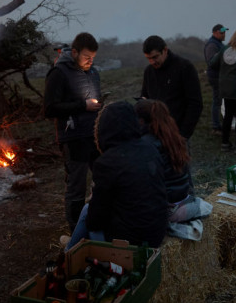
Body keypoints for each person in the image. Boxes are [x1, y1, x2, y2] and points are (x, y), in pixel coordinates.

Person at [62, 101, 169, 250]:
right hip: (157, 233)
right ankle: (72, 246)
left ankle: (69, 254)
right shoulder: (149, 148)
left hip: (128, 244)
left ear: (104, 129)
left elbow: (95, 221)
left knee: (87, 211)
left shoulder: (107, 163)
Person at [44, 32, 102, 232]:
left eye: (93, 58)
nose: (90, 61)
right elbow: (49, 109)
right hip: (74, 138)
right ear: (74, 52)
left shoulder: (93, 72)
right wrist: (82, 106)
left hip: (95, 135)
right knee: (77, 185)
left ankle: (98, 220)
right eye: (87, 57)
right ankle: (76, 231)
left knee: (103, 177)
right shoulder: (58, 73)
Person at [140, 35, 203, 140]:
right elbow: (144, 97)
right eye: (148, 58)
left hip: (177, 133)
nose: (152, 62)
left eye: (155, 57)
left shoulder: (185, 67)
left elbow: (195, 104)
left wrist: (183, 134)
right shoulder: (149, 71)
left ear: (165, 50)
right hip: (154, 133)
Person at [204, 24, 228, 135]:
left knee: (220, 101)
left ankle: (220, 124)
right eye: (221, 32)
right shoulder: (212, 45)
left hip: (221, 76)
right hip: (216, 77)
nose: (224, 34)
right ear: (214, 33)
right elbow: (211, 62)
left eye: (224, 32)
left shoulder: (219, 44)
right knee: (217, 102)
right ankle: (215, 127)